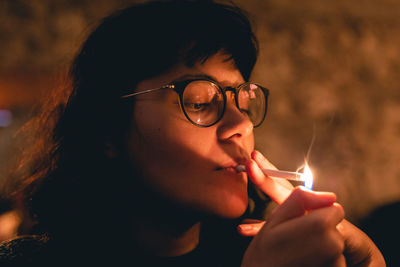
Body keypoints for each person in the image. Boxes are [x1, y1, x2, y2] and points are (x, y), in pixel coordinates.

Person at [0, 0, 385, 266]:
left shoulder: (267, 251)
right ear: (107, 129)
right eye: (200, 102)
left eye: (244, 103)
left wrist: (370, 262)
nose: (242, 126)